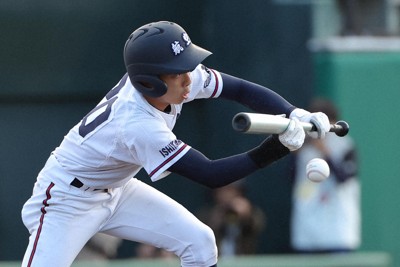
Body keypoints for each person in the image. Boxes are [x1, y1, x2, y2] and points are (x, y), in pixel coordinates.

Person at [21, 21, 331, 267]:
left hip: (118, 189)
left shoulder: (177, 80)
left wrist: (293, 112)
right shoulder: (137, 124)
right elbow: (210, 174)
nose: (189, 78)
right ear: (149, 82)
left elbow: (239, 88)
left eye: (187, 66)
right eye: (177, 72)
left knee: (199, 242)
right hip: (66, 200)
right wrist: (278, 148)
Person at [290, 98, 360, 254]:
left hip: (337, 226)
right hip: (307, 227)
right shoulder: (303, 147)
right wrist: (294, 154)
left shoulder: (345, 145)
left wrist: (325, 151)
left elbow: (344, 178)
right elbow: (291, 179)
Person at [199, 183, 266, 257]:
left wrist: (247, 216)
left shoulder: (251, 212)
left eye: (229, 190)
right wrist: (216, 219)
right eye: (221, 190)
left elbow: (256, 225)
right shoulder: (206, 214)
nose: (225, 194)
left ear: (239, 192)